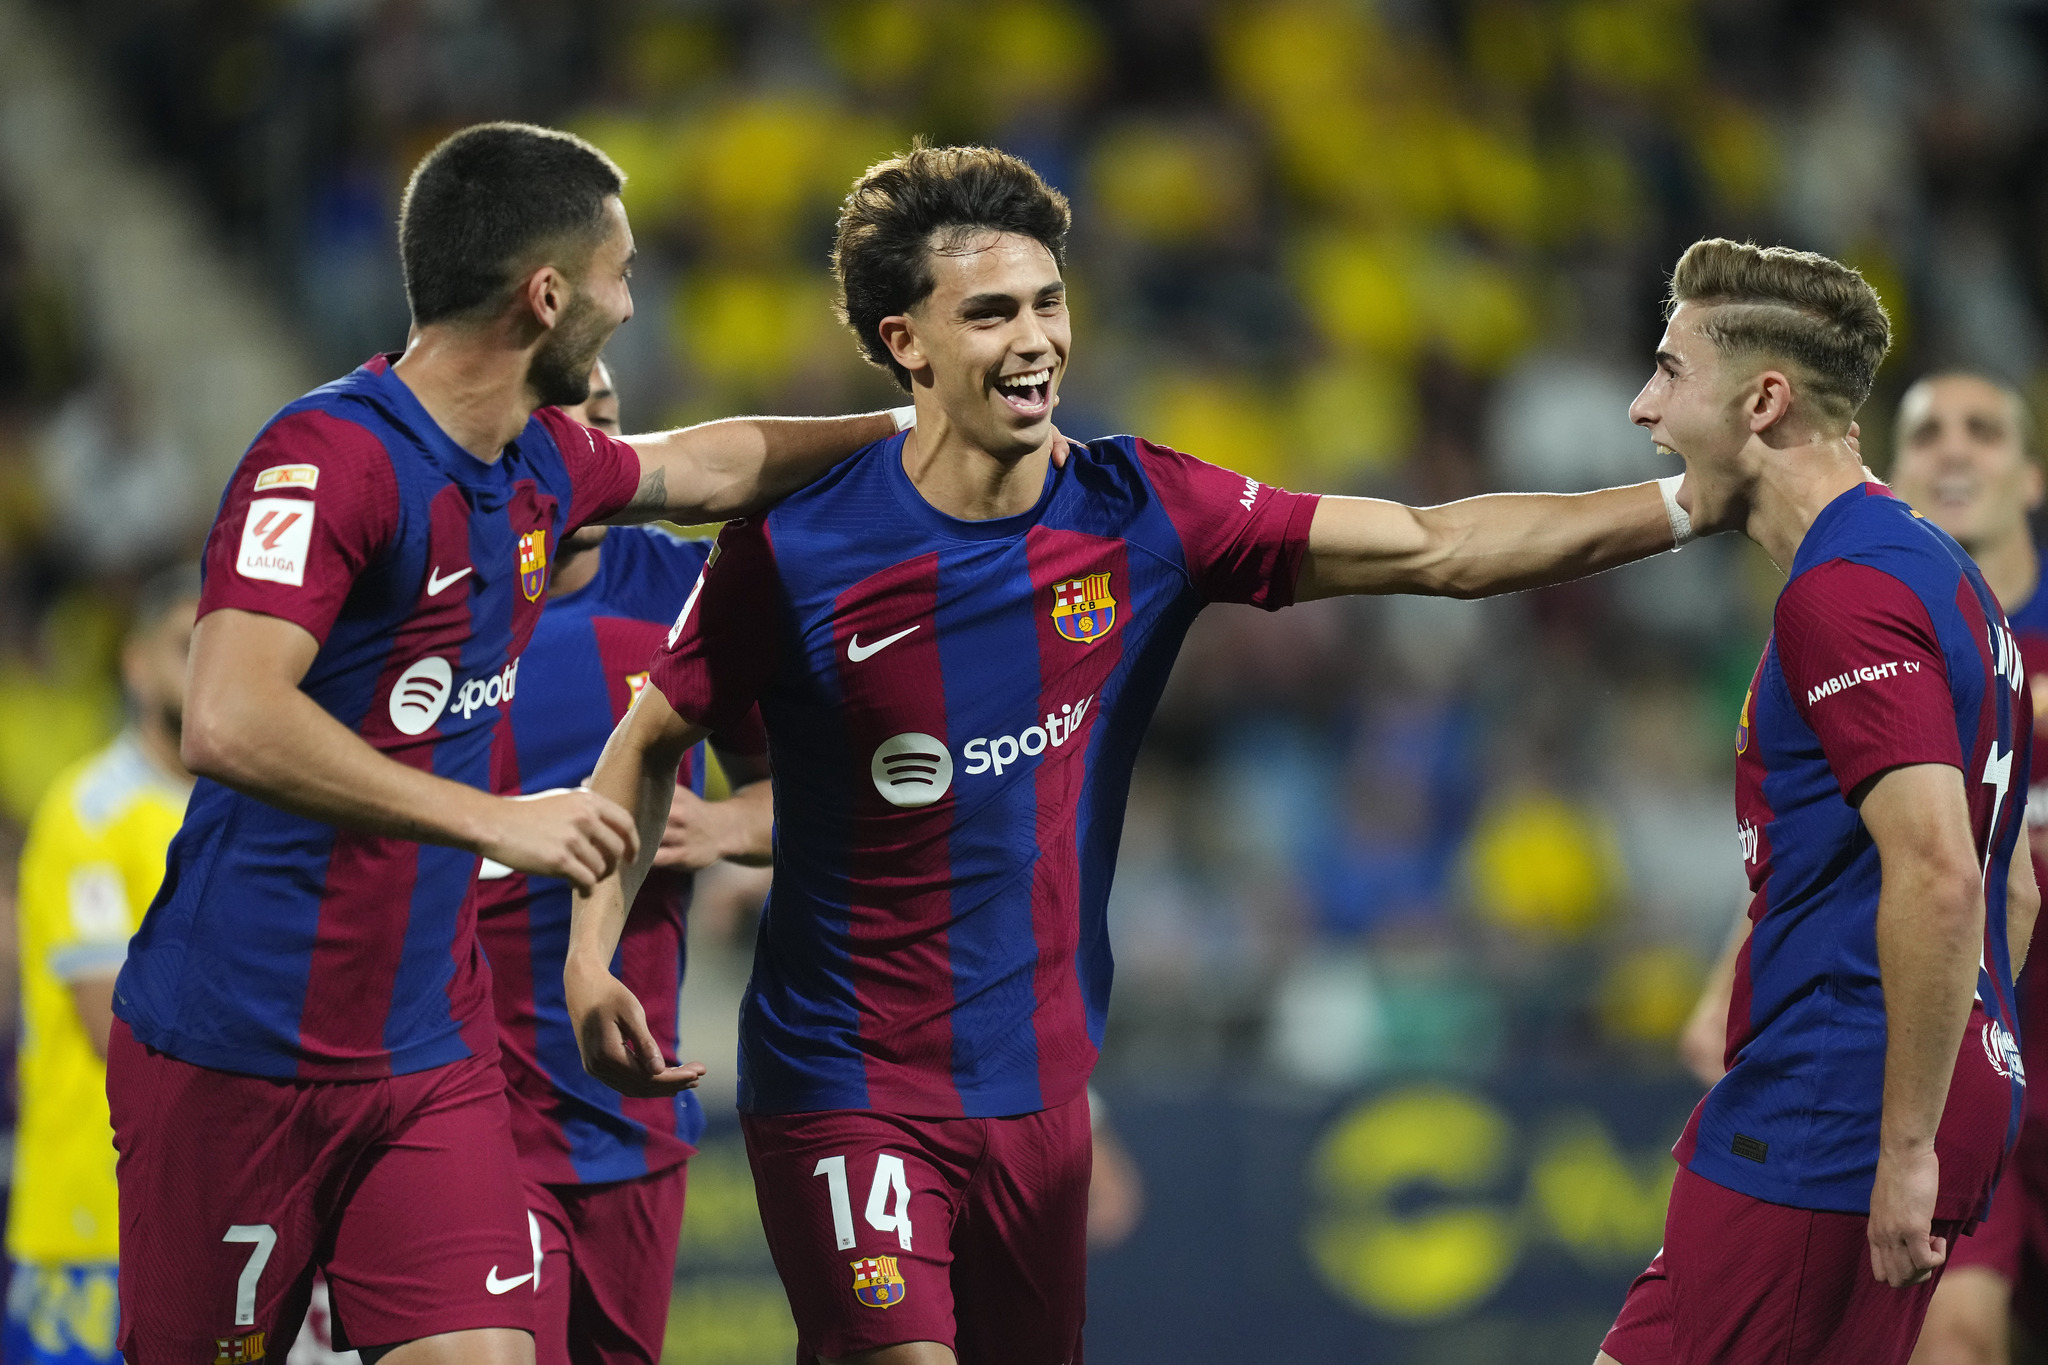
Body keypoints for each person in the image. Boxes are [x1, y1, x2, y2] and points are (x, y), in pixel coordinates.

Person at [565, 143, 1707, 1365]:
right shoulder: (796, 550)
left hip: (1041, 1090)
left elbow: (1434, 546)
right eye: (990, 312)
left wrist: (1692, 503)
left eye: (1048, 302)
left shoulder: (1143, 510)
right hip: (847, 1081)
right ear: (906, 343)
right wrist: (591, 959)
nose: (1035, 339)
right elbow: (646, 739)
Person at [106, 121, 909, 1365]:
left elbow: (697, 469)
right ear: (546, 297)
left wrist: (914, 429)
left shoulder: (533, 463)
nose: (633, 305)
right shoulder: (328, 458)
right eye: (619, 274)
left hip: (427, 1050)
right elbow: (227, 716)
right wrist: (496, 818)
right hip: (239, 1046)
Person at [1595, 243, 2036, 1365]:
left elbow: (1939, 872)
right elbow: (2012, 888)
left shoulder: (1840, 597)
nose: (1642, 406)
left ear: (1762, 399)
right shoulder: (1947, 575)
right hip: (1906, 1088)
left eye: (1667, 370)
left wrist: (1899, 1142)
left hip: (1825, 1107)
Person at [472, 358, 772, 1365]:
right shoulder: (429, 606)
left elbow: (839, 790)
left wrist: (726, 831)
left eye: (607, 422)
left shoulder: (683, 591)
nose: (595, 449)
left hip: (632, 1118)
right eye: (565, 424)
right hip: (462, 1111)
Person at [7, 566, 198, 1365]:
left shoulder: (248, 814)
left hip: (201, 1220)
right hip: (87, 1224)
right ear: (136, 664)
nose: (209, 670)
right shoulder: (88, 813)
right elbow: (109, 1025)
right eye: (187, 647)